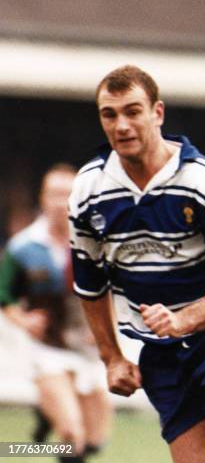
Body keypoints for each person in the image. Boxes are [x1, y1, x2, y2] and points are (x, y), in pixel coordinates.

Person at [68, 66, 205, 463]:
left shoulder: (201, 180)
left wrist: (185, 319)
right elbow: (90, 282)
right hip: (162, 351)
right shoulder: (88, 190)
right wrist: (111, 357)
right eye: (110, 114)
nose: (121, 125)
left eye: (133, 111)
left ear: (158, 113)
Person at [0, 164, 112, 463]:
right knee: (71, 434)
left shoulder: (95, 243)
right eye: (53, 194)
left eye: (67, 195)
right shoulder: (23, 248)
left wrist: (104, 327)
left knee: (96, 439)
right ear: (42, 198)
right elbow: (3, 296)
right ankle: (54, 425)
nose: (59, 202)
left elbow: (114, 291)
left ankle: (43, 423)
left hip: (89, 348)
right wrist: (23, 320)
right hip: (47, 348)